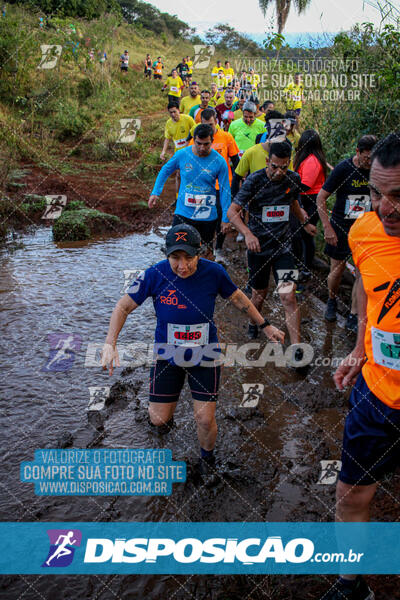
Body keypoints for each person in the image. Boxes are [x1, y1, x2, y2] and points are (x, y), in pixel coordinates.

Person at [101, 224, 284, 478]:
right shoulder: (154, 274)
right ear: (167, 255)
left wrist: (264, 325)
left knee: (205, 419)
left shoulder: (215, 272)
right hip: (167, 355)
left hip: (205, 355)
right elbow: (122, 307)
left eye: (189, 257)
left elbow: (239, 298)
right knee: (158, 420)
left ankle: (207, 461)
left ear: (200, 252)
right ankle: (165, 438)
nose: (182, 265)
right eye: (175, 258)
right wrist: (110, 343)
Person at [324, 132, 400, 600]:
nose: (384, 208)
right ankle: (351, 585)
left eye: (398, 196)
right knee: (350, 495)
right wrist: (359, 348)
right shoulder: (364, 231)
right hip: (376, 394)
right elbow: (368, 294)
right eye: (375, 192)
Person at [227, 141, 317, 360]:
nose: (279, 172)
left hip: (284, 248)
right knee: (259, 295)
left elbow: (293, 203)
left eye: (284, 167)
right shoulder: (254, 181)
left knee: (288, 297)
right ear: (267, 161)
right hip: (258, 248)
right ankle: (253, 321)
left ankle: (296, 348)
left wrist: (304, 221)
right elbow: (232, 212)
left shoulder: (293, 179)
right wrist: (248, 234)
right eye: (275, 166)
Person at [317, 135, 378, 331]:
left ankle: (354, 313)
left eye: (373, 158)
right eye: (367, 158)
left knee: (362, 273)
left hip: (367, 229)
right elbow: (321, 198)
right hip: (341, 227)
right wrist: (327, 227)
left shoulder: (377, 170)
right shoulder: (344, 169)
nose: (370, 162)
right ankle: (332, 299)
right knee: (337, 271)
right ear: (357, 152)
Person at [149, 124, 231, 258]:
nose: (202, 148)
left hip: (207, 216)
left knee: (205, 254)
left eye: (206, 144)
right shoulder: (182, 154)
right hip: (184, 213)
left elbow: (225, 190)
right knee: (175, 250)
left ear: (212, 141)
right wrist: (155, 192)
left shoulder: (219, 161)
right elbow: (165, 170)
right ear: (193, 139)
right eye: (199, 143)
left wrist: (226, 218)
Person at [188, 108, 240, 262]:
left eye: (210, 124)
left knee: (221, 218)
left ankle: (218, 249)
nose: (208, 128)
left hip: (223, 186)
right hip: (203, 187)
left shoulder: (226, 137)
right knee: (203, 218)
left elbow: (236, 161)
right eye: (205, 124)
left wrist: (237, 183)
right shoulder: (196, 139)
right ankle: (204, 250)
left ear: (216, 121)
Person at [293, 129, 328, 275]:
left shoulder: (312, 161)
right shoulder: (308, 158)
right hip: (305, 198)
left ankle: (306, 267)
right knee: (301, 233)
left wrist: (289, 188)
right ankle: (303, 263)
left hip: (311, 200)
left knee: (306, 234)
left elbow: (306, 184)